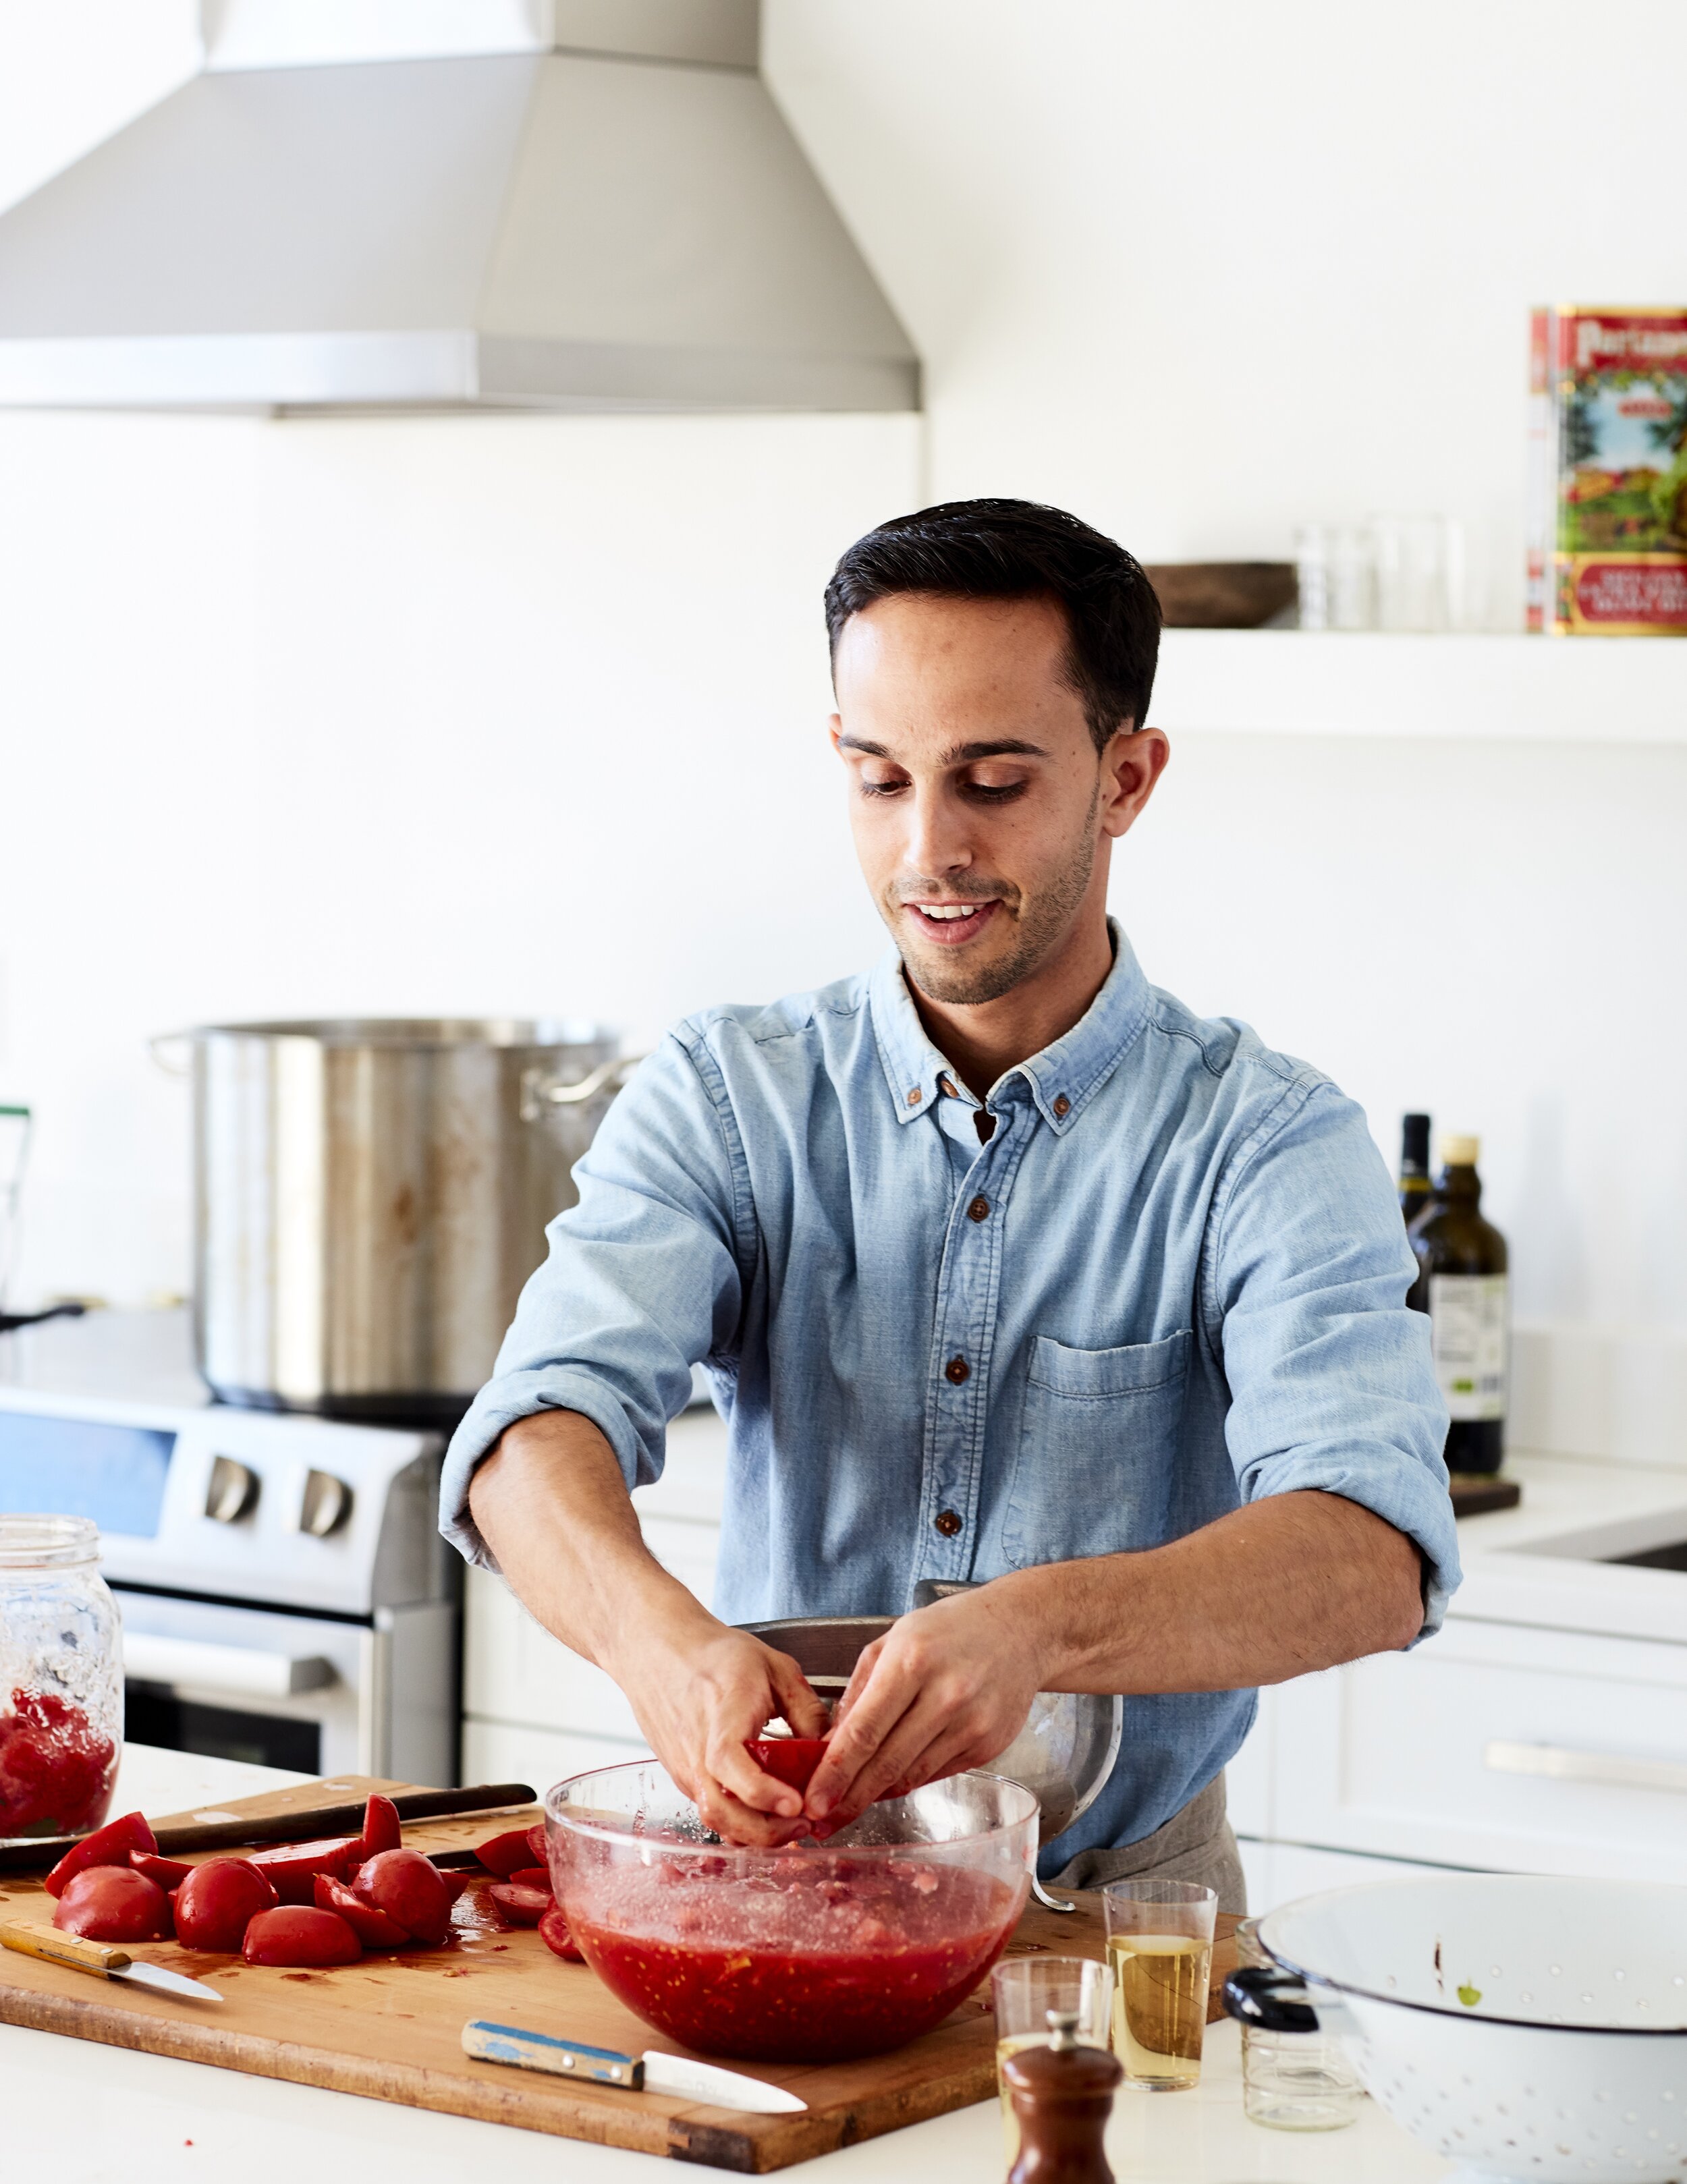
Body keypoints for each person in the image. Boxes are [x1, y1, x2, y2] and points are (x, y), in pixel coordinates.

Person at [441, 499, 1459, 1906]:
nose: (929, 847)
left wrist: (1043, 1626)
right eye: (880, 778)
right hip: (779, 1894)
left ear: (1125, 777)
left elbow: (1370, 1548)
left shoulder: (1267, 1138)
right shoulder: (728, 1093)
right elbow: (530, 1434)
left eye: (990, 780)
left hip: (1126, 1922)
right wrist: (659, 1645)